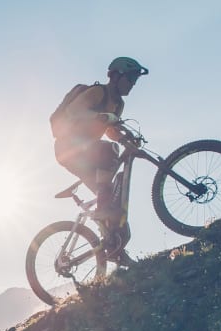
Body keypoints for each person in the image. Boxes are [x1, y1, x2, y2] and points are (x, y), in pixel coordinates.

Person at [51, 56, 149, 224]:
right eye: (131, 78)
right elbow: (73, 111)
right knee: (108, 151)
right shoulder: (98, 92)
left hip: (86, 152)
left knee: (112, 202)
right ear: (116, 76)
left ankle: (109, 242)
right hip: (67, 147)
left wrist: (127, 139)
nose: (133, 84)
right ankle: (102, 209)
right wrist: (100, 116)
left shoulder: (119, 104)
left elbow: (111, 131)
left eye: (136, 80)